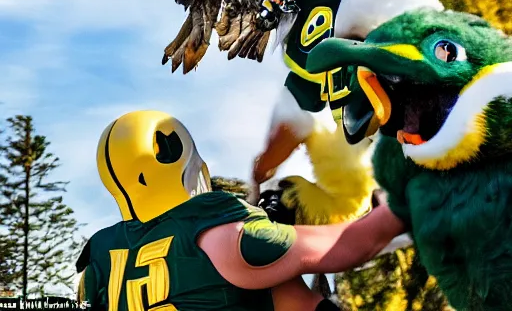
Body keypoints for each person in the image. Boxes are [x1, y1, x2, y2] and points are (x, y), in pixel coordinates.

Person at [76, 110, 404, 311]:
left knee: (281, 287)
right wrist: (394, 209)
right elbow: (345, 248)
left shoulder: (100, 253)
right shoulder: (216, 230)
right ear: (171, 154)